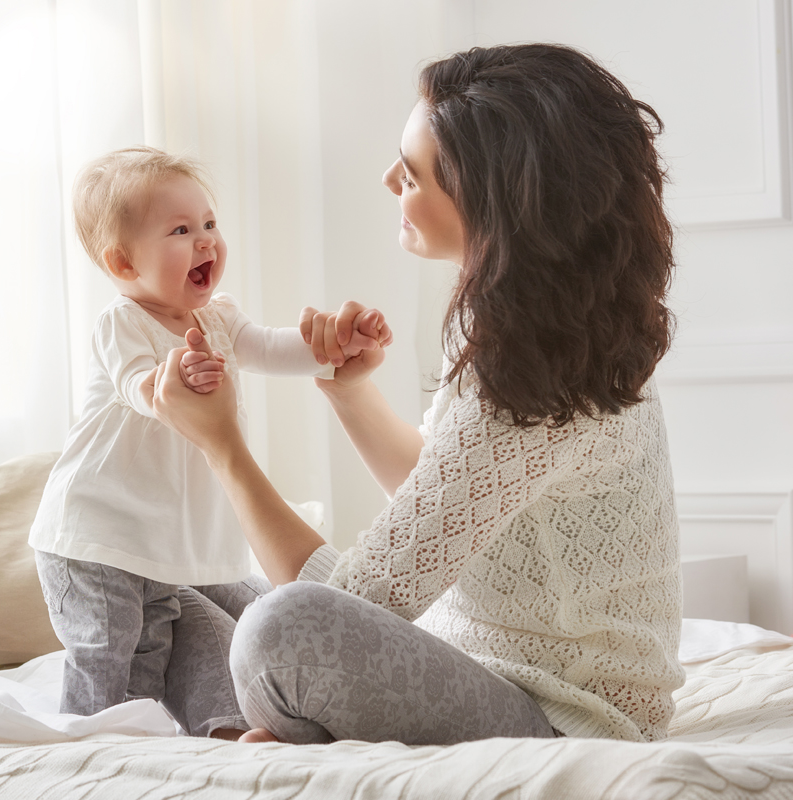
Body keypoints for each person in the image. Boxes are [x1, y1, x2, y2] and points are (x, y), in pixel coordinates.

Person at [150, 43, 684, 745]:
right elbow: (449, 487)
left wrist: (222, 446)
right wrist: (350, 394)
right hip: (491, 667)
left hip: (567, 718)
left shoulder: (534, 374)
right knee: (216, 598)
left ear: (491, 203)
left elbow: (355, 597)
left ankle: (296, 723)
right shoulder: (543, 330)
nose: (386, 180)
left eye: (412, 173)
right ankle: (296, 723)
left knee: (278, 627)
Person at [28, 146, 391, 738]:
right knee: (106, 658)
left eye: (209, 224)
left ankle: (152, 752)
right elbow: (137, 387)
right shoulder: (122, 323)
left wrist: (331, 344)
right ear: (123, 263)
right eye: (180, 230)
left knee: (148, 659)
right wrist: (173, 383)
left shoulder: (218, 320)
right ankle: (81, 755)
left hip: (155, 543)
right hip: (92, 534)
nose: (206, 241)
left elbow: (272, 347)